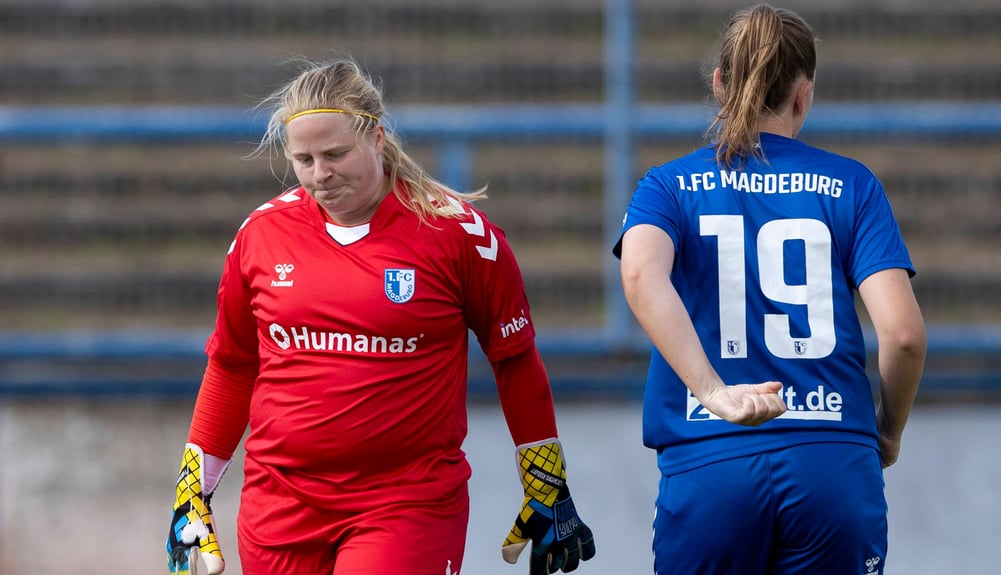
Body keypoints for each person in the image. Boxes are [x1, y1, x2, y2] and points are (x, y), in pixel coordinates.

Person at [165, 56, 595, 575]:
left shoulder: (459, 235)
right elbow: (233, 365)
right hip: (277, 506)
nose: (320, 175)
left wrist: (545, 481)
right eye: (303, 159)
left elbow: (515, 359)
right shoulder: (259, 235)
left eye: (335, 154)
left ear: (377, 137)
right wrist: (192, 491)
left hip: (407, 505)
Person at [615, 5, 927, 575]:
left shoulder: (668, 185)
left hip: (710, 464)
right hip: (833, 464)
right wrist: (887, 430)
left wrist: (713, 392)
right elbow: (904, 336)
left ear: (719, 84)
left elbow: (639, 274)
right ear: (803, 97)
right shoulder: (853, 185)